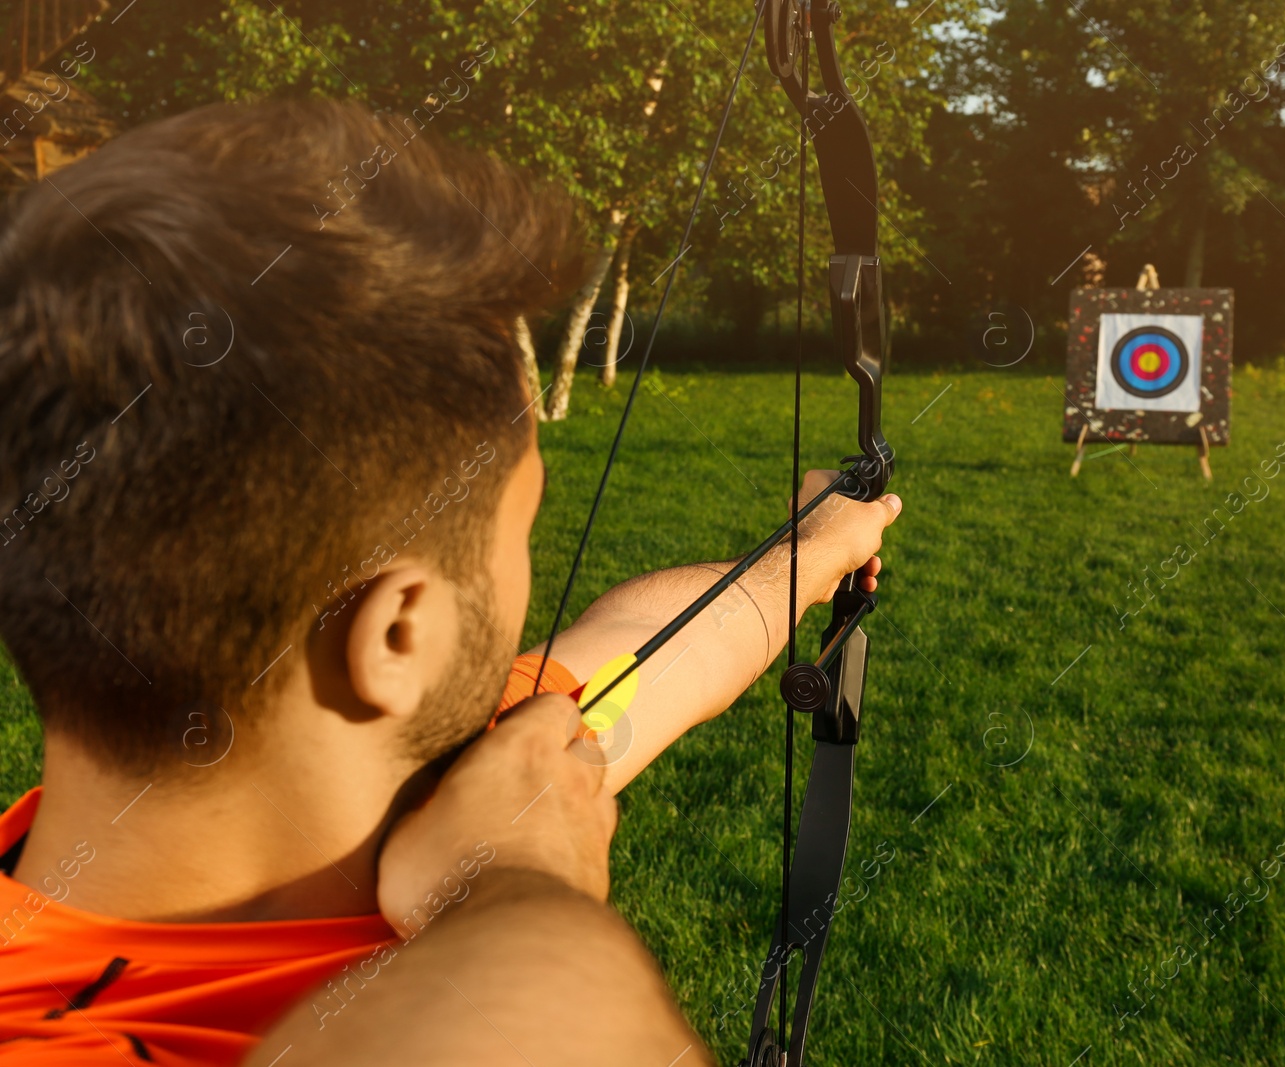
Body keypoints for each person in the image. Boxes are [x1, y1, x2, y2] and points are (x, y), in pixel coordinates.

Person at [0, 99, 900, 1066]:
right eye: (522, 527)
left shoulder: (425, 767)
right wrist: (519, 884)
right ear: (398, 637)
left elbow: (655, 647)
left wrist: (807, 553)